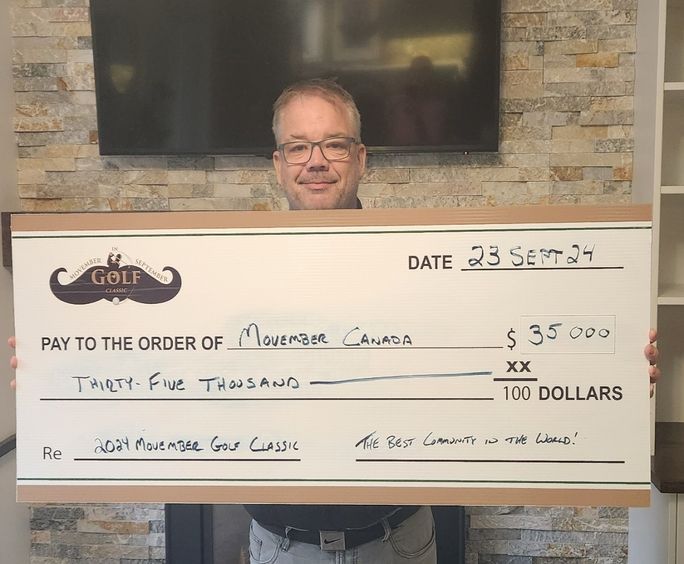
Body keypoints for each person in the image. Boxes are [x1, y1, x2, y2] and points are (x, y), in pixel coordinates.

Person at [9, 79, 661, 564]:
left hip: (399, 542)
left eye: (332, 144)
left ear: (362, 157)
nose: (314, 160)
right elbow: (168, 372)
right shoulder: (222, 274)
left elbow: (503, 357)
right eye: (297, 146)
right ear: (277, 163)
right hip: (277, 548)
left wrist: (612, 370)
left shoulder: (436, 269)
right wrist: (57, 374)